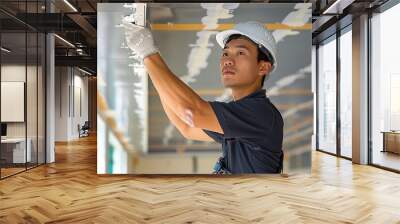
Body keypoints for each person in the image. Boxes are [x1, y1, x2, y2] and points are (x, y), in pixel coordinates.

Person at [123, 20, 284, 174]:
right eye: (225, 53)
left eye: (240, 53)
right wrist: (151, 64)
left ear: (263, 67)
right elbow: (187, 127)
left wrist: (149, 54)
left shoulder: (260, 114)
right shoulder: (239, 119)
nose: (228, 60)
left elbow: (192, 112)